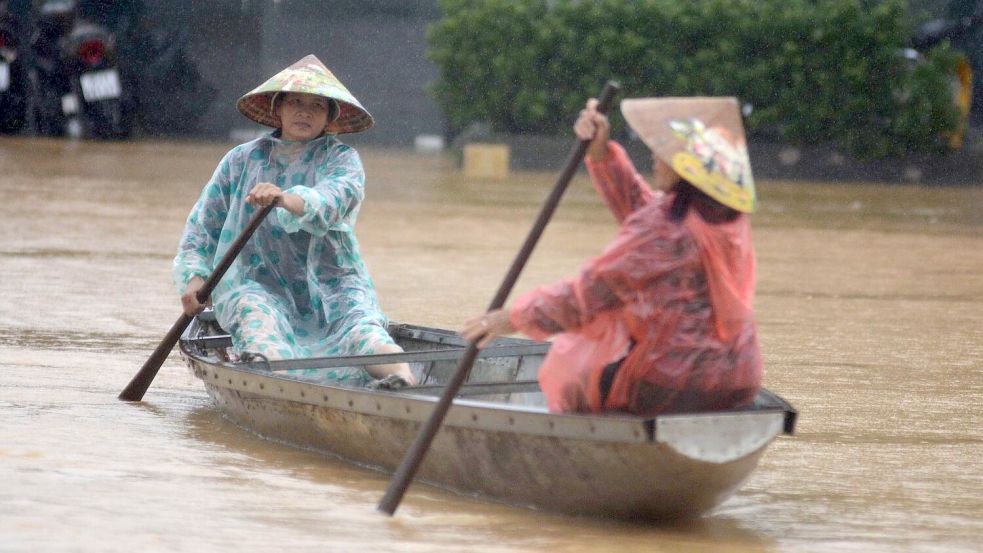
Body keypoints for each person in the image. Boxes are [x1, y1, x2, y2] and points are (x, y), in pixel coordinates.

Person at [461, 96, 761, 415]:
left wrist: (514, 317)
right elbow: (644, 211)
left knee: (578, 378)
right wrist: (601, 153)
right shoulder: (727, 218)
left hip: (671, 384)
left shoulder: (663, 229)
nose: (655, 159)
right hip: (740, 375)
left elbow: (586, 296)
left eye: (664, 154)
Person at [173, 54, 416, 387]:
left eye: (316, 106)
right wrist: (194, 279)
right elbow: (204, 228)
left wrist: (285, 198)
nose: (305, 111)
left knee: (363, 330)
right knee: (258, 323)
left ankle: (403, 380)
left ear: (330, 116)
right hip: (256, 284)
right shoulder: (241, 160)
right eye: (296, 102)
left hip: (333, 283)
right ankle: (282, 385)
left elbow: (334, 199)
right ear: (278, 109)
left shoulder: (341, 159)